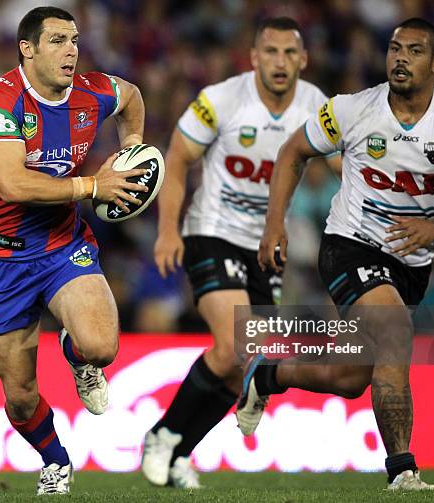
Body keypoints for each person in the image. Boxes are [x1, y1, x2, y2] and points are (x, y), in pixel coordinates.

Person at [238, 17, 434, 491]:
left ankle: (269, 372)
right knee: (394, 329)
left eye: (413, 51)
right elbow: (292, 153)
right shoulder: (351, 110)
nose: (399, 58)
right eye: (394, 49)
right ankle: (403, 471)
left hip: (412, 260)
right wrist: (274, 226)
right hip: (350, 243)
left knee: (352, 377)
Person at [141, 18, 341, 488]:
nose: (279, 62)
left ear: (303, 60)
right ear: (253, 57)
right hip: (212, 232)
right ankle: (162, 434)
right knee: (235, 344)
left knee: (245, 365)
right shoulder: (222, 100)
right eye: (269, 52)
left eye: (289, 53)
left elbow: (343, 166)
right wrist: (168, 230)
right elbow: (177, 157)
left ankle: (179, 454)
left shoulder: (319, 107)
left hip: (265, 245)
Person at [0, 6, 148, 495]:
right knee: (21, 397)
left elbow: (131, 96)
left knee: (101, 345)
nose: (71, 50)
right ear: (27, 48)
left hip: (62, 246)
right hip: (0, 262)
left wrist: (132, 146)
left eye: (75, 39)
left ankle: (79, 357)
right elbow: (12, 184)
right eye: (57, 40)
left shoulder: (93, 91)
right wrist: (94, 185)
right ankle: (55, 459)